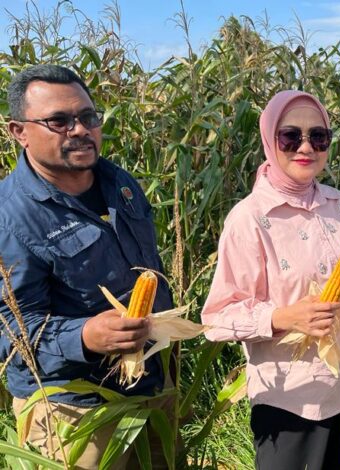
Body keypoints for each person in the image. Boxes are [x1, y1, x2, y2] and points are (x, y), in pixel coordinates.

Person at [201, 90, 340, 469]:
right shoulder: (249, 219)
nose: (306, 147)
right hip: (293, 402)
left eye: (318, 137)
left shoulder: (339, 204)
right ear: (269, 139)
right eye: (290, 136)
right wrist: (283, 318)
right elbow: (217, 316)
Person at [0, 64, 174, 467]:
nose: (79, 130)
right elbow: (9, 332)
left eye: (88, 117)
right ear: (19, 131)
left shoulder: (120, 183)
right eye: (58, 121)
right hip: (76, 412)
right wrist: (84, 336)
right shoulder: (9, 219)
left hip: (150, 381)